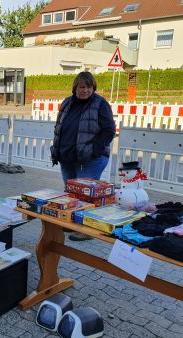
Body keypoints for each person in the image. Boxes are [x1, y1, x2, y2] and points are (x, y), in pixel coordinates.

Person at [50, 71, 116, 241]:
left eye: (89, 87)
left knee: (86, 195)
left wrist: (95, 150)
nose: (85, 90)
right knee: (71, 193)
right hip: (67, 156)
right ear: (75, 88)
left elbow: (109, 130)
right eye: (82, 87)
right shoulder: (67, 103)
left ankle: (87, 229)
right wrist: (56, 150)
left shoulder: (100, 104)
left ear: (93, 88)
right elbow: (59, 127)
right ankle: (71, 222)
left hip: (91, 159)